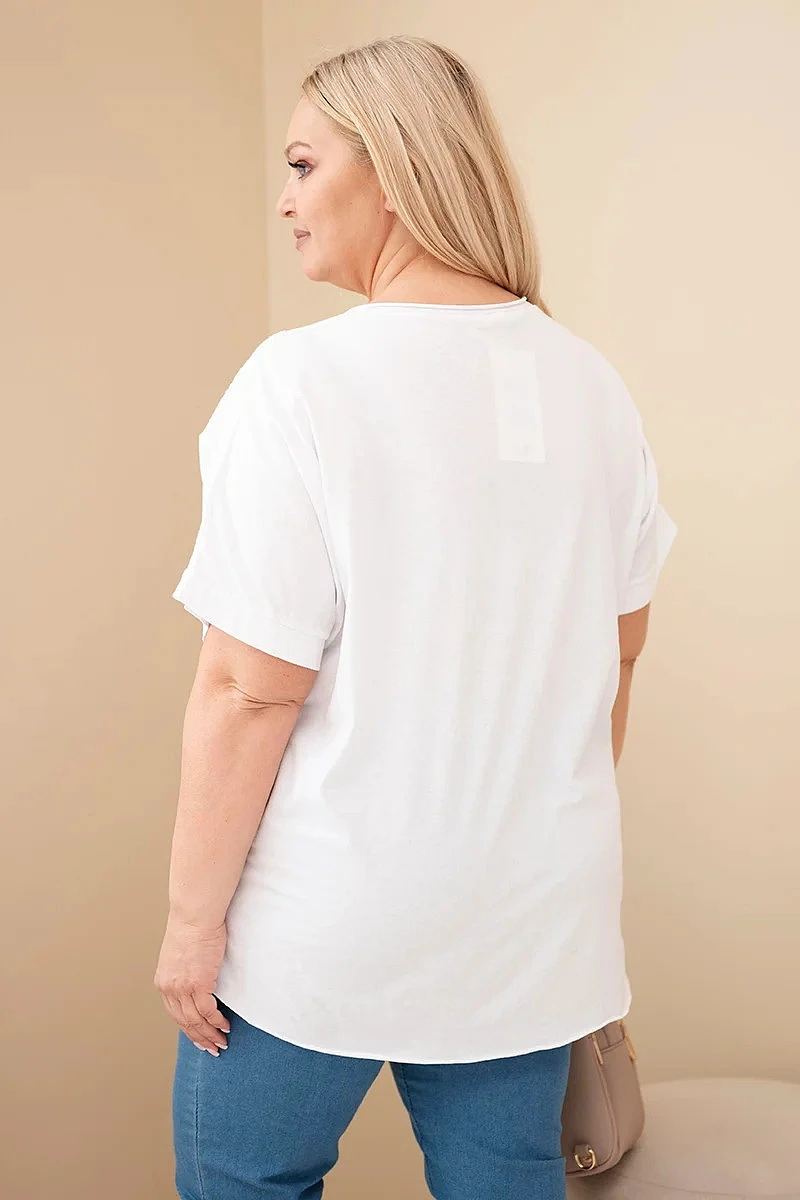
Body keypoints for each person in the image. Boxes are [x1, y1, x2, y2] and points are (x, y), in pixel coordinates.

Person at [156, 34, 678, 1200]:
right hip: (532, 929)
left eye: (302, 165)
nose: (284, 201)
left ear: (390, 168)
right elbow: (617, 658)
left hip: (327, 923)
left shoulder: (299, 384)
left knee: (246, 1180)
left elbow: (247, 688)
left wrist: (192, 927)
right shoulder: (592, 386)